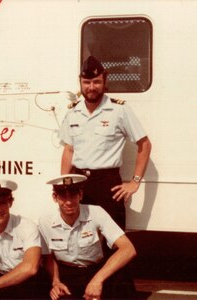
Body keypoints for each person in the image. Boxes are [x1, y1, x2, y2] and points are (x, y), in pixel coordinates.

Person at [59, 55, 152, 230]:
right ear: (80, 82)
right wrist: (62, 186)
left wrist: (135, 182)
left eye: (96, 82)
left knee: (114, 241)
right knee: (81, 238)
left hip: (108, 184)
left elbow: (145, 144)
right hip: (78, 183)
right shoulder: (73, 112)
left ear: (104, 81)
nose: (91, 87)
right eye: (87, 82)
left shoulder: (119, 110)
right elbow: (69, 150)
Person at [39, 174, 137, 300]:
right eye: (63, 196)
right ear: (55, 197)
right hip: (66, 274)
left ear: (80, 195)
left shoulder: (96, 212)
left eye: (73, 195)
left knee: (122, 283)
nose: (68, 202)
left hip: (95, 270)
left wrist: (98, 280)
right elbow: (48, 257)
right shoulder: (45, 221)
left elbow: (128, 249)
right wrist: (56, 282)